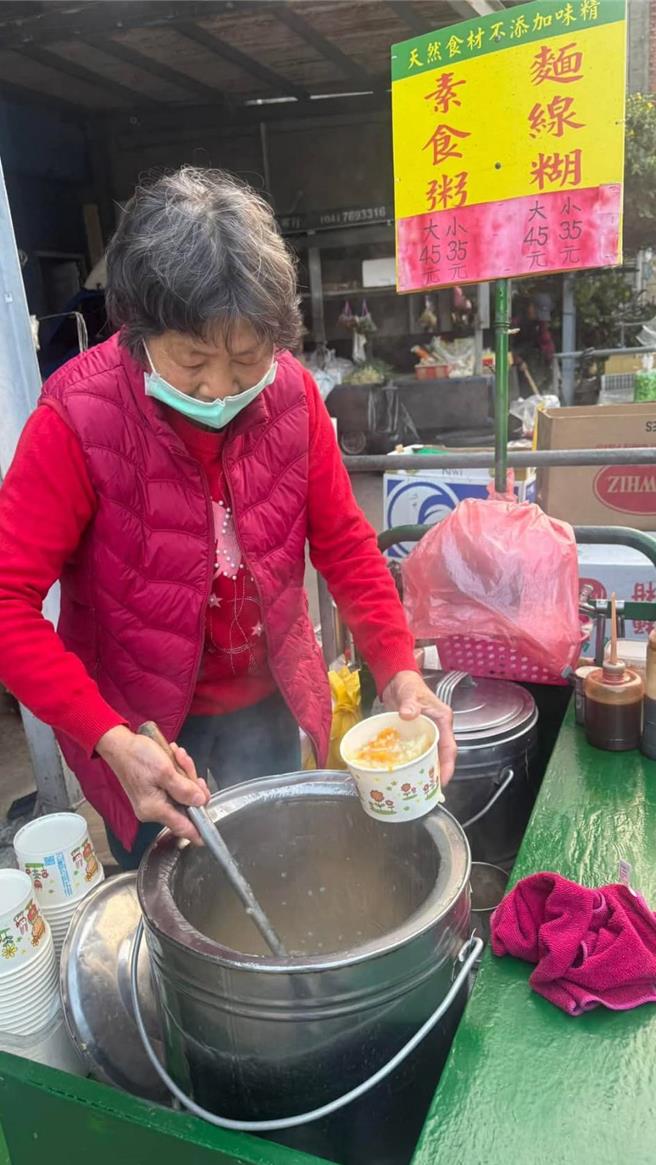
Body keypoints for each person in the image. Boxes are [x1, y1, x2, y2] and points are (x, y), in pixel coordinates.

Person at [0, 167, 456, 870]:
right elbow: (8, 602)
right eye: (192, 360)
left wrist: (399, 670)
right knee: (171, 895)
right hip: (140, 726)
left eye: (246, 361)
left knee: (283, 869)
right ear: (138, 330)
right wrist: (109, 738)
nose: (219, 388)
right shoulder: (76, 417)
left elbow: (346, 547)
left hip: (270, 702)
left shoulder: (294, 399)